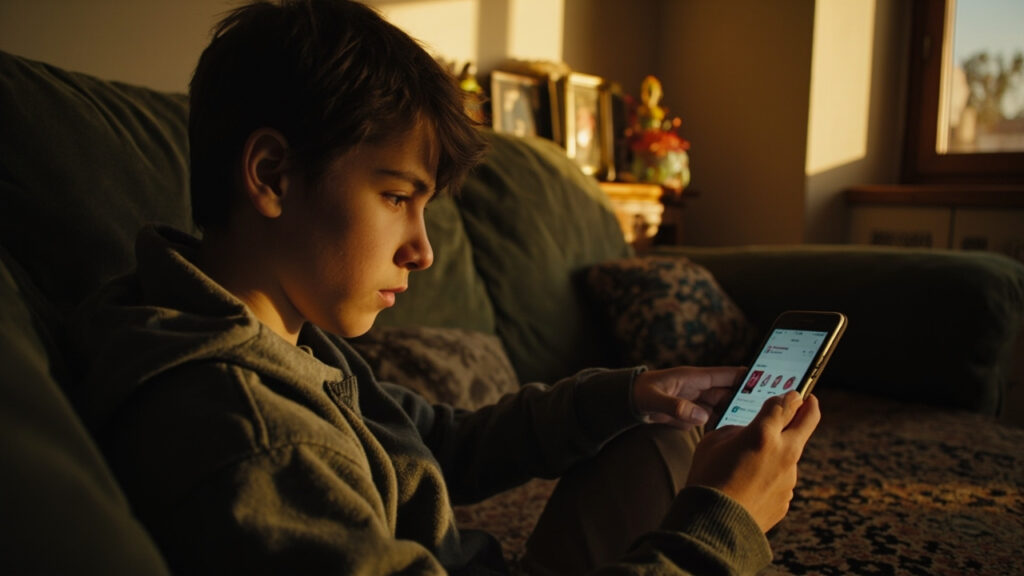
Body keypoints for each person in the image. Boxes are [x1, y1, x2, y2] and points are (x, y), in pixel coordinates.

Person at [71, 1, 821, 574]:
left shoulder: (277, 334)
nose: (424, 251)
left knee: (661, 437)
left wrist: (630, 392)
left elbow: (435, 442)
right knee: (717, 494)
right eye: (398, 197)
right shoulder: (258, 446)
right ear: (272, 175)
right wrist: (724, 530)